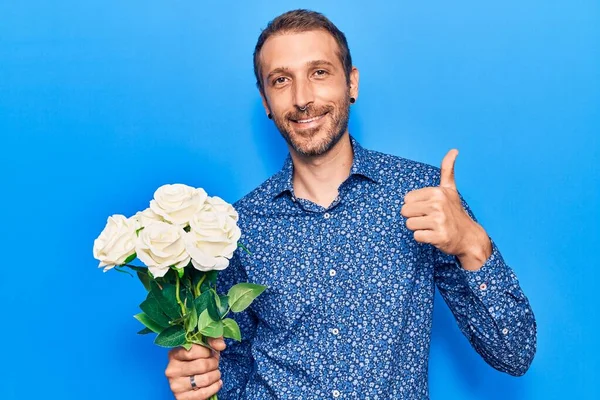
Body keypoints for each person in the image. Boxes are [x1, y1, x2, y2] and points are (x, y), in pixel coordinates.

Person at [164, 9, 537, 400]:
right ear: (266, 102)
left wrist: (470, 244)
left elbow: (514, 354)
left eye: (319, 72)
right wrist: (197, 378)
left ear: (352, 83)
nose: (302, 98)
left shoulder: (423, 195)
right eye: (281, 80)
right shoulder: (236, 227)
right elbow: (229, 370)